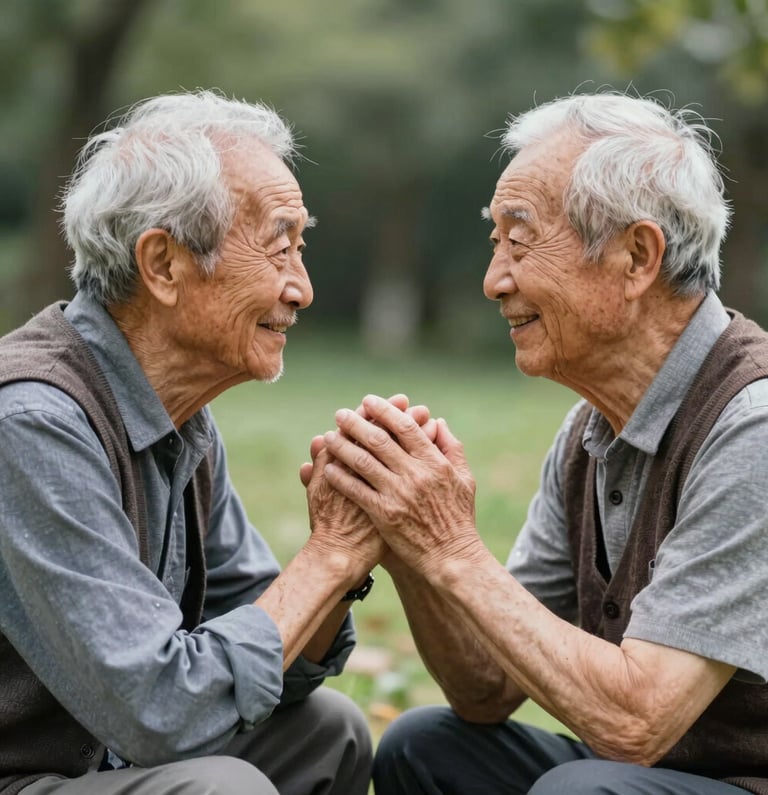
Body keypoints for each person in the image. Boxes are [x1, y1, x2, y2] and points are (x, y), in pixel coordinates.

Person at [313, 92, 768, 795]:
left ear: (636, 256)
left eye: (519, 241)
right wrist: (405, 538)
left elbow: (636, 725)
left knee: (580, 792)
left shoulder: (754, 426)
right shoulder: (591, 429)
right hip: (642, 779)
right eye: (496, 243)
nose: (495, 280)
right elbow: (486, 688)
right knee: (423, 746)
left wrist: (454, 550)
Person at [0, 90, 383, 795]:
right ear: (164, 264)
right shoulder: (30, 423)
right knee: (220, 789)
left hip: (105, 765)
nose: (301, 287)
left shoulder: (181, 419)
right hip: (24, 775)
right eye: (279, 246)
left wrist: (351, 542)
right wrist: (326, 558)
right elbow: (159, 712)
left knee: (328, 730)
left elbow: (283, 664)